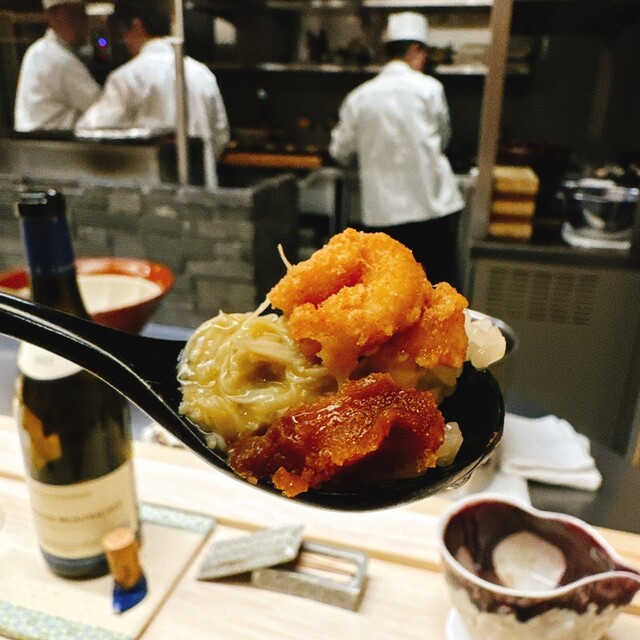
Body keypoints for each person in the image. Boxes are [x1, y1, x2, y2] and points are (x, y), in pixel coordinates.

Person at [329, 12, 464, 288]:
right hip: (432, 211)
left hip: (383, 215)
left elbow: (340, 151)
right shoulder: (430, 89)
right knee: (437, 294)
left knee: (388, 295)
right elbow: (443, 139)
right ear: (415, 51)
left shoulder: (359, 97)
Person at [76, 0, 229, 189]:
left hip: (153, 194)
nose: (124, 42)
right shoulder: (203, 74)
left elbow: (88, 131)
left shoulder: (128, 77)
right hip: (204, 191)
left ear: (136, 25)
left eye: (123, 34)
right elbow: (220, 136)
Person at [14, 0, 101, 132]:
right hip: (50, 140)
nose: (79, 23)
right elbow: (102, 108)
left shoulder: (40, 49)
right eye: (71, 17)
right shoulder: (55, 56)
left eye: (82, 16)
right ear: (50, 18)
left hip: (42, 139)